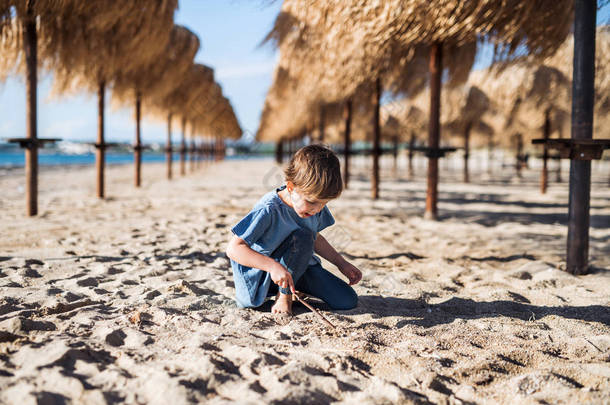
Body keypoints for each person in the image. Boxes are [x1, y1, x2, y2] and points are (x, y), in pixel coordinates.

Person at [226, 144, 362, 316]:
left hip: (298, 268)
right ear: (290, 187)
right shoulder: (269, 208)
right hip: (263, 275)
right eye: (312, 202)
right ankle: (284, 295)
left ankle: (294, 288)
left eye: (324, 203)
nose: (317, 209)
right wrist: (273, 267)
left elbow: (316, 237)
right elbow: (234, 249)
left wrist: (341, 263)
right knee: (303, 236)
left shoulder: (314, 207)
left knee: (346, 300)